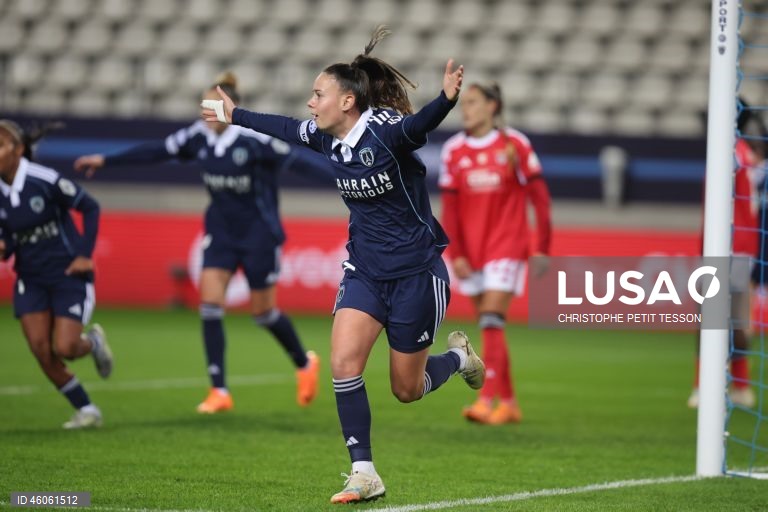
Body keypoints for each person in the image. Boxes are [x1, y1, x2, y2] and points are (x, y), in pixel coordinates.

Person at [202, 26, 485, 504]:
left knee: (406, 389)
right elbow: (283, 127)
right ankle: (363, 471)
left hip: (417, 274)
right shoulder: (324, 136)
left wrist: (446, 100)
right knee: (343, 363)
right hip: (366, 272)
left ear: (348, 102)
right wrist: (233, 114)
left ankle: (458, 359)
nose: (310, 103)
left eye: (318, 94)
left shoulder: (386, 131)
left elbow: (419, 128)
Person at [74, 72, 322, 414]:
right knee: (209, 305)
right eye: (205, 105)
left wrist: (347, 177)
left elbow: (301, 162)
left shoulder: (253, 138)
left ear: (231, 107)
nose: (208, 111)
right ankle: (219, 389)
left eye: (216, 105)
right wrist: (106, 160)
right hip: (219, 232)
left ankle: (304, 364)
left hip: (259, 234)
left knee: (263, 314)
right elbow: (156, 151)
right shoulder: (197, 136)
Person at [439, 82, 552, 425]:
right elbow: (451, 209)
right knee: (492, 327)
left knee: (491, 319)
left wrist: (542, 247)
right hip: (472, 252)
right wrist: (455, 252)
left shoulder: (513, 144)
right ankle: (511, 403)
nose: (466, 108)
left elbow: (540, 199)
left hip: (508, 244)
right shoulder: (453, 150)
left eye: (473, 102)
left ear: (492, 106)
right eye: (465, 103)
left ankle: (486, 400)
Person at [0, 119, 113, 429]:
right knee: (40, 349)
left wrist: (84, 255)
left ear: (18, 150)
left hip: (66, 274)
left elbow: (89, 206)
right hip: (31, 278)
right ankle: (88, 410)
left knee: (65, 347)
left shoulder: (43, 179)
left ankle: (91, 343)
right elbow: (9, 237)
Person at [689, 99, 762, 409]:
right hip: (733, 244)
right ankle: (740, 386)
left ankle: (707, 386)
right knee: (726, 319)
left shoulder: (729, 153)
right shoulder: (742, 152)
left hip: (730, 245)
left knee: (714, 318)